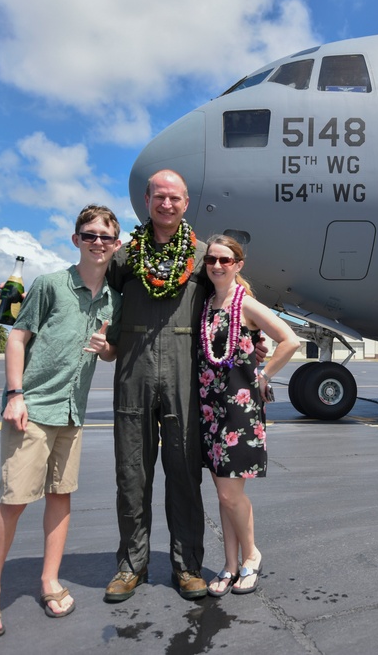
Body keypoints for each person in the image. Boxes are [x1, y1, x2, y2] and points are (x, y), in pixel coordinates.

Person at [103, 170, 266, 602]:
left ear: (185, 202)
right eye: (160, 197)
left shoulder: (200, 258)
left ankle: (188, 565)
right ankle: (131, 564)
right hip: (134, 369)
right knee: (131, 472)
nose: (167, 204)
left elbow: (233, 296)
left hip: (184, 374)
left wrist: (254, 344)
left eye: (174, 197)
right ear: (147, 199)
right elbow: (101, 295)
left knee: (183, 472)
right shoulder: (126, 258)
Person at [0, 205, 122, 639]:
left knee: (60, 496)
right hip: (33, 407)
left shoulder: (113, 298)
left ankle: (50, 580)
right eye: (89, 235)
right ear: (76, 240)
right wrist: (15, 394)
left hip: (72, 411)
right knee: (14, 500)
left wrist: (106, 347)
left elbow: (109, 353)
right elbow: (17, 336)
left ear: (116, 244)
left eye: (106, 237)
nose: (98, 243)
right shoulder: (50, 284)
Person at [199, 235, 299, 597]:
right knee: (223, 494)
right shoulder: (207, 305)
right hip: (210, 408)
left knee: (230, 494)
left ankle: (252, 554)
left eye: (226, 260)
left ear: (238, 265)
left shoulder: (247, 305)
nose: (217, 266)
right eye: (212, 259)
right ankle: (229, 563)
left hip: (239, 409)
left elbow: (289, 340)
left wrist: (264, 374)